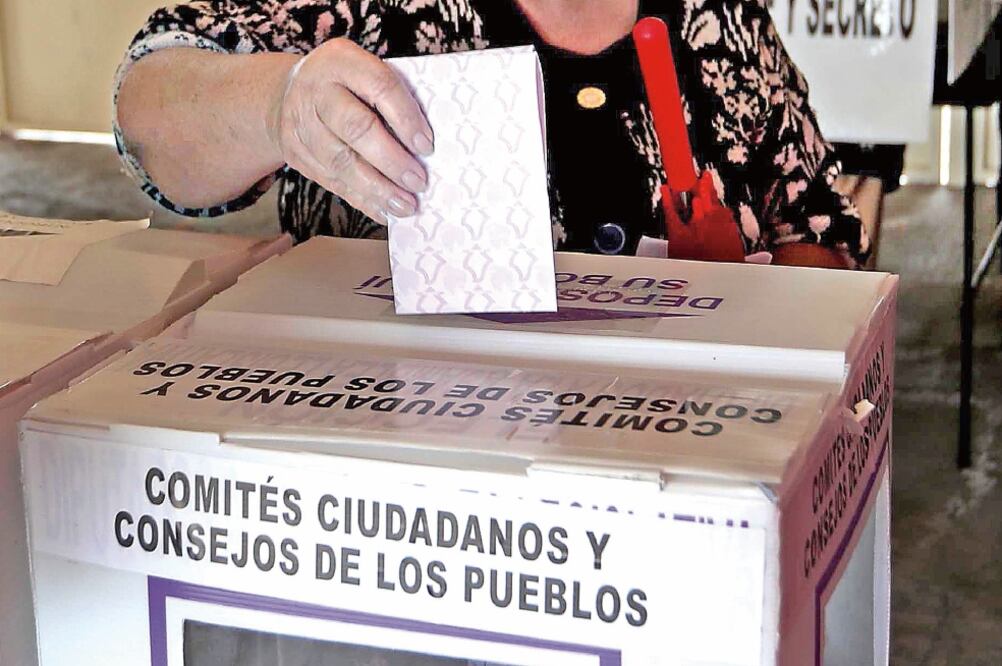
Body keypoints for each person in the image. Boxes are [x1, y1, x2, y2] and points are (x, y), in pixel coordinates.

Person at [115, 0, 869, 268]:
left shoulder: (722, 13)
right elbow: (150, 118)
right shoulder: (374, 4)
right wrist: (279, 105)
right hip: (424, 505)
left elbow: (814, 220)